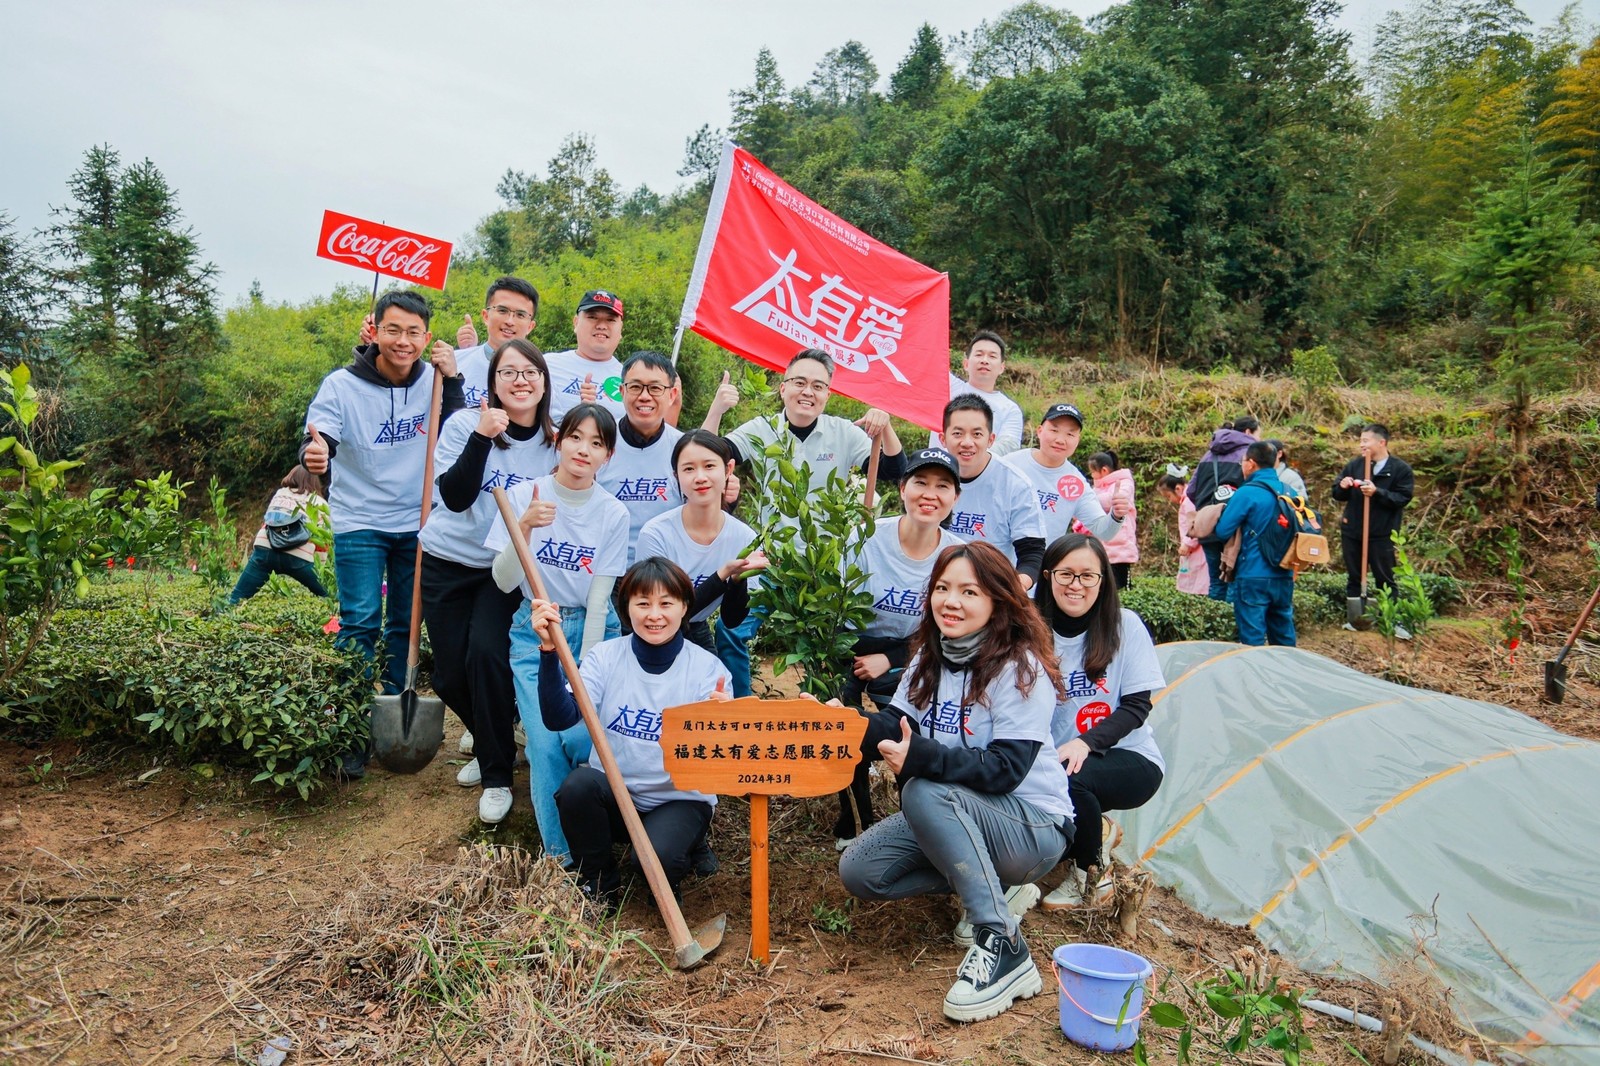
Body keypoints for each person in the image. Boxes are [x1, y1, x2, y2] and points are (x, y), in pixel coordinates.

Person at [839, 542, 1073, 1024]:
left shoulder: (1020, 667)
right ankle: (990, 886)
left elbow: (1007, 768)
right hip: (964, 814)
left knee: (921, 788)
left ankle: (1002, 942)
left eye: (969, 591)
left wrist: (922, 757)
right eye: (943, 588)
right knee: (861, 871)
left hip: (1034, 826)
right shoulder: (931, 654)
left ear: (998, 600)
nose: (951, 601)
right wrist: (837, 725)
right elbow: (894, 723)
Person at [301, 291, 463, 776]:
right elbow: (319, 435)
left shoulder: (435, 380)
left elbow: (456, 427)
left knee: (405, 627)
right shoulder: (341, 386)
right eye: (394, 330)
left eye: (414, 332)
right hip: (360, 520)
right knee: (361, 622)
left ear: (426, 337)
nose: (403, 341)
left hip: (418, 521)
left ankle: (391, 723)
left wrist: (452, 377)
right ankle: (349, 732)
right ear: (375, 331)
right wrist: (316, 454)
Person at [527, 558, 733, 906]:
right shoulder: (605, 658)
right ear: (626, 609)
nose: (655, 614)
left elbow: (722, 762)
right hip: (618, 798)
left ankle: (677, 855)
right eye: (643, 603)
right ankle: (599, 882)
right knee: (577, 788)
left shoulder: (706, 670)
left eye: (666, 603)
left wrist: (720, 728)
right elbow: (558, 719)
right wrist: (549, 652)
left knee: (657, 861)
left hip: (679, 800)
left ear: (684, 607)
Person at [703, 348, 904, 696]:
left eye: (818, 385)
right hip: (772, 561)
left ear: (828, 394)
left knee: (834, 649)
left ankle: (834, 718)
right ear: (783, 389)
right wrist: (717, 410)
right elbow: (706, 454)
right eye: (799, 382)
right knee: (731, 629)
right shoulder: (762, 429)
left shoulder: (842, 433)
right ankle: (740, 705)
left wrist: (884, 426)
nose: (807, 392)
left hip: (828, 564)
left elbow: (893, 470)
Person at [418, 339, 557, 823]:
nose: (521, 380)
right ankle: (497, 733)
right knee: (450, 674)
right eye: (509, 372)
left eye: (530, 372)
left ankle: (497, 774)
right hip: (446, 561)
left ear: (543, 382)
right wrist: (480, 437)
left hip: (502, 570)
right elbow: (454, 498)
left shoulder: (553, 444)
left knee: (486, 657)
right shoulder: (462, 426)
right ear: (493, 383)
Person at [485, 404, 628, 861]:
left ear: (607, 456)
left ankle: (602, 842)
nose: (583, 450)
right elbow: (504, 580)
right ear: (559, 439)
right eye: (576, 437)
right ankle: (561, 858)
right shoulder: (525, 494)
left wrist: (581, 671)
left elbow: (601, 599)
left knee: (586, 737)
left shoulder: (613, 513)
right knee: (546, 742)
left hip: (593, 628)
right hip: (534, 627)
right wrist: (524, 525)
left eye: (597, 443)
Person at [834, 447, 966, 849]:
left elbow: (949, 632)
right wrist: (853, 657)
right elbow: (834, 606)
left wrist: (890, 659)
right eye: (920, 483)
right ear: (903, 488)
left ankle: (915, 818)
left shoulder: (956, 555)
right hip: (851, 642)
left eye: (942, 486)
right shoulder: (865, 537)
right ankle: (854, 819)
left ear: (955, 498)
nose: (930, 494)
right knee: (843, 724)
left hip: (916, 650)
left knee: (913, 730)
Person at [1032, 534, 1166, 909]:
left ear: (1103, 580)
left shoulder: (1125, 626)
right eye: (1066, 575)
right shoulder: (1029, 630)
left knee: (1072, 777)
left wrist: (1086, 742)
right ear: (1047, 576)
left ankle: (1091, 876)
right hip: (1053, 755)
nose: (1076, 585)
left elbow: (1138, 706)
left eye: (1088, 576)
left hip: (1128, 756)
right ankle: (1098, 831)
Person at [635, 430, 768, 653]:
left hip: (696, 633)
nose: (700, 477)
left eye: (709, 466)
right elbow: (662, 614)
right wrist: (722, 575)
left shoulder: (745, 539)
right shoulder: (656, 535)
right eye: (688, 468)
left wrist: (736, 581)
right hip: (652, 639)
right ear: (676, 475)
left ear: (728, 469)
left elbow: (732, 619)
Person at [940, 394, 1047, 590]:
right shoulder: (929, 476)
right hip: (937, 584)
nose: (967, 442)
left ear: (991, 439)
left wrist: (1015, 588)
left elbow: (1032, 553)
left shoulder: (1015, 484)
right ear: (942, 438)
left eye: (977, 434)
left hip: (990, 588)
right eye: (957, 433)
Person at [597, 352, 684, 565]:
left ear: (672, 395)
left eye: (655, 388)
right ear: (622, 391)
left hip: (665, 571)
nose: (645, 396)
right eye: (635, 387)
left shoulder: (684, 449)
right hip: (604, 567)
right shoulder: (598, 441)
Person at [1003, 402, 1129, 547]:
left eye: (1070, 434)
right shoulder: (1010, 464)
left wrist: (1116, 515)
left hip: (1039, 565)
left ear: (1077, 440)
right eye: (1054, 430)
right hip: (995, 562)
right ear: (1039, 431)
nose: (1060, 440)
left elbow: (1103, 532)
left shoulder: (1075, 483)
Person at [1331, 423, 1415, 635]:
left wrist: (1378, 492)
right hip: (1353, 531)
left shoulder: (1400, 469)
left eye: (1365, 440)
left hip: (1381, 533)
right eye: (1360, 440)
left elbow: (1402, 498)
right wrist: (1342, 486)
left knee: (1384, 577)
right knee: (1354, 575)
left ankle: (1391, 621)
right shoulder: (1355, 465)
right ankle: (1356, 619)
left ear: (1381, 442)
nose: (1362, 445)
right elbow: (1337, 493)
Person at [1212, 441, 1296, 647]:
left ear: (1251, 463)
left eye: (1243, 462)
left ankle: (1256, 679)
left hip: (1252, 574)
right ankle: (1288, 675)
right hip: (1284, 573)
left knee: (1253, 639)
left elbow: (1223, 530)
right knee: (1284, 635)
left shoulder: (1247, 492)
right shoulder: (1290, 491)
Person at [228, 466, 330, 604]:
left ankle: (217, 618)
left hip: (266, 550)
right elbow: (322, 543)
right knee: (329, 596)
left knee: (237, 597)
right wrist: (320, 571)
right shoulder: (320, 502)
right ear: (314, 482)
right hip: (299, 557)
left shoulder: (280, 493)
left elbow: (269, 521)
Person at [1186, 416, 1259, 601]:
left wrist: (1209, 510)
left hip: (1207, 525)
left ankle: (1217, 625)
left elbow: (1191, 491)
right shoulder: (1250, 455)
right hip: (1237, 527)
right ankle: (1233, 626)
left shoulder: (1208, 455)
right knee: (1235, 578)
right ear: (1249, 432)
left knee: (1216, 581)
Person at [446, 276, 540, 408]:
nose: (510, 321)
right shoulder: (454, 362)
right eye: (502, 311)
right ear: (485, 316)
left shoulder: (541, 373)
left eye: (520, 315)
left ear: (530, 326)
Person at [929, 332, 1025, 457]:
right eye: (979, 354)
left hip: (983, 474)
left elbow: (1008, 447)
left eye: (992, 356)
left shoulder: (1010, 409)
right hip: (938, 470)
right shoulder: (947, 386)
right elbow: (927, 356)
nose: (984, 360)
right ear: (966, 364)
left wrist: (969, 458)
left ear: (1002, 367)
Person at [545, 290, 627, 424]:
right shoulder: (545, 365)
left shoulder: (630, 379)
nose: (601, 326)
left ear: (621, 329)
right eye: (592, 317)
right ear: (576, 322)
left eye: (611, 320)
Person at [1082, 451, 1137, 589]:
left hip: (1119, 542)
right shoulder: (1099, 486)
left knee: (1118, 583)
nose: (1092, 476)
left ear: (1104, 470)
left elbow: (1111, 500)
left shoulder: (1124, 483)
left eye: (1093, 472)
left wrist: (1087, 501)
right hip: (1101, 541)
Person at [1156, 466, 1209, 595]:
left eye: (1168, 496)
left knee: (1199, 580)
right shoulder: (1189, 499)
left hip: (1196, 548)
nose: (1169, 500)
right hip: (1195, 547)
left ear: (1178, 489)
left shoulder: (1189, 502)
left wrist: (1187, 544)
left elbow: (1196, 524)